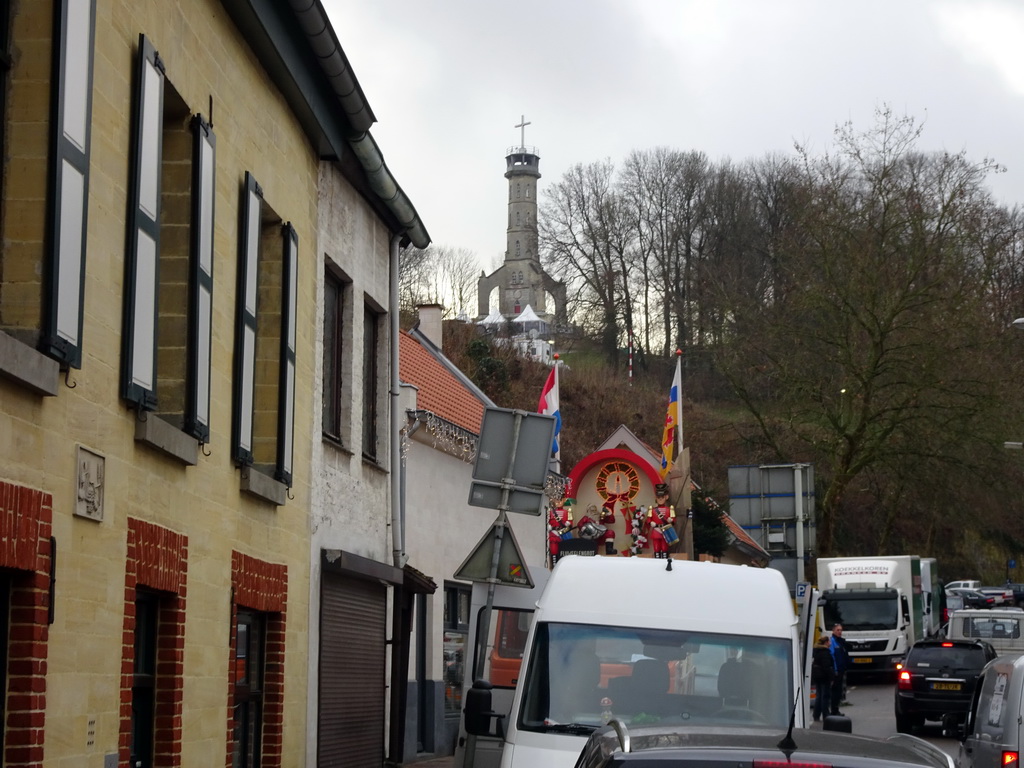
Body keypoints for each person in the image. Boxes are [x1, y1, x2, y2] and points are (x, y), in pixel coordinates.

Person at [646, 484, 677, 559]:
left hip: (665, 530)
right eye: (658, 497)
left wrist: (671, 520)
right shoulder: (652, 509)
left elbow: (674, 521)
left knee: (664, 547)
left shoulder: (670, 509)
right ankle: (657, 560)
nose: (660, 499)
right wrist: (651, 523)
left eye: (662, 497)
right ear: (656, 498)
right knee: (656, 547)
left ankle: (664, 559)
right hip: (656, 530)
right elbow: (648, 520)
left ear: (666, 497)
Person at [811, 635, 835, 722]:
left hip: (817, 675)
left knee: (819, 695)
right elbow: (827, 667)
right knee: (825, 696)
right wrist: (832, 677)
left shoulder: (817, 651)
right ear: (825, 642)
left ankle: (816, 714)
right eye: (829, 641)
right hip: (824, 676)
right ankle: (825, 714)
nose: (830, 643)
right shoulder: (825, 652)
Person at [828, 623, 850, 715]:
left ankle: (836, 709)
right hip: (836, 671)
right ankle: (834, 710)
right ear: (833, 631)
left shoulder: (841, 642)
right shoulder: (832, 641)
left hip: (842, 670)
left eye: (841, 630)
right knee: (835, 691)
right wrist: (835, 670)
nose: (840, 632)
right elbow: (832, 656)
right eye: (838, 630)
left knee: (839, 691)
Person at [547, 497, 573, 566]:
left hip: (564, 532)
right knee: (553, 546)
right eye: (556, 500)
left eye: (560, 500)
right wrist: (549, 526)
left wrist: (568, 523)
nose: (558, 502)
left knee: (567, 546)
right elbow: (547, 521)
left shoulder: (568, 511)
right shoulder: (550, 512)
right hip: (554, 532)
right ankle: (554, 563)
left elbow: (571, 523)